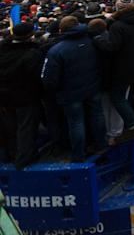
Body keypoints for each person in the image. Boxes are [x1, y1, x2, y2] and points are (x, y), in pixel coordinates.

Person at [42, 15, 107, 160]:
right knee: (97, 115)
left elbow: (50, 79)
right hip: (93, 86)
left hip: (70, 93)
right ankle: (101, 145)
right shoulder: (92, 41)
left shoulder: (56, 50)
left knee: (76, 122)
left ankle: (79, 153)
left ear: (61, 30)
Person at [95, 0, 134, 140]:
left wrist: (99, 39)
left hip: (125, 68)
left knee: (117, 96)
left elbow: (112, 47)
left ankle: (133, 125)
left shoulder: (118, 26)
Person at [0, 22, 44, 168]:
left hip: (5, 97)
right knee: (25, 128)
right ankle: (24, 158)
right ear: (30, 35)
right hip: (26, 97)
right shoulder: (32, 54)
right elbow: (37, 77)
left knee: (11, 126)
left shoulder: (3, 50)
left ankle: (14, 154)